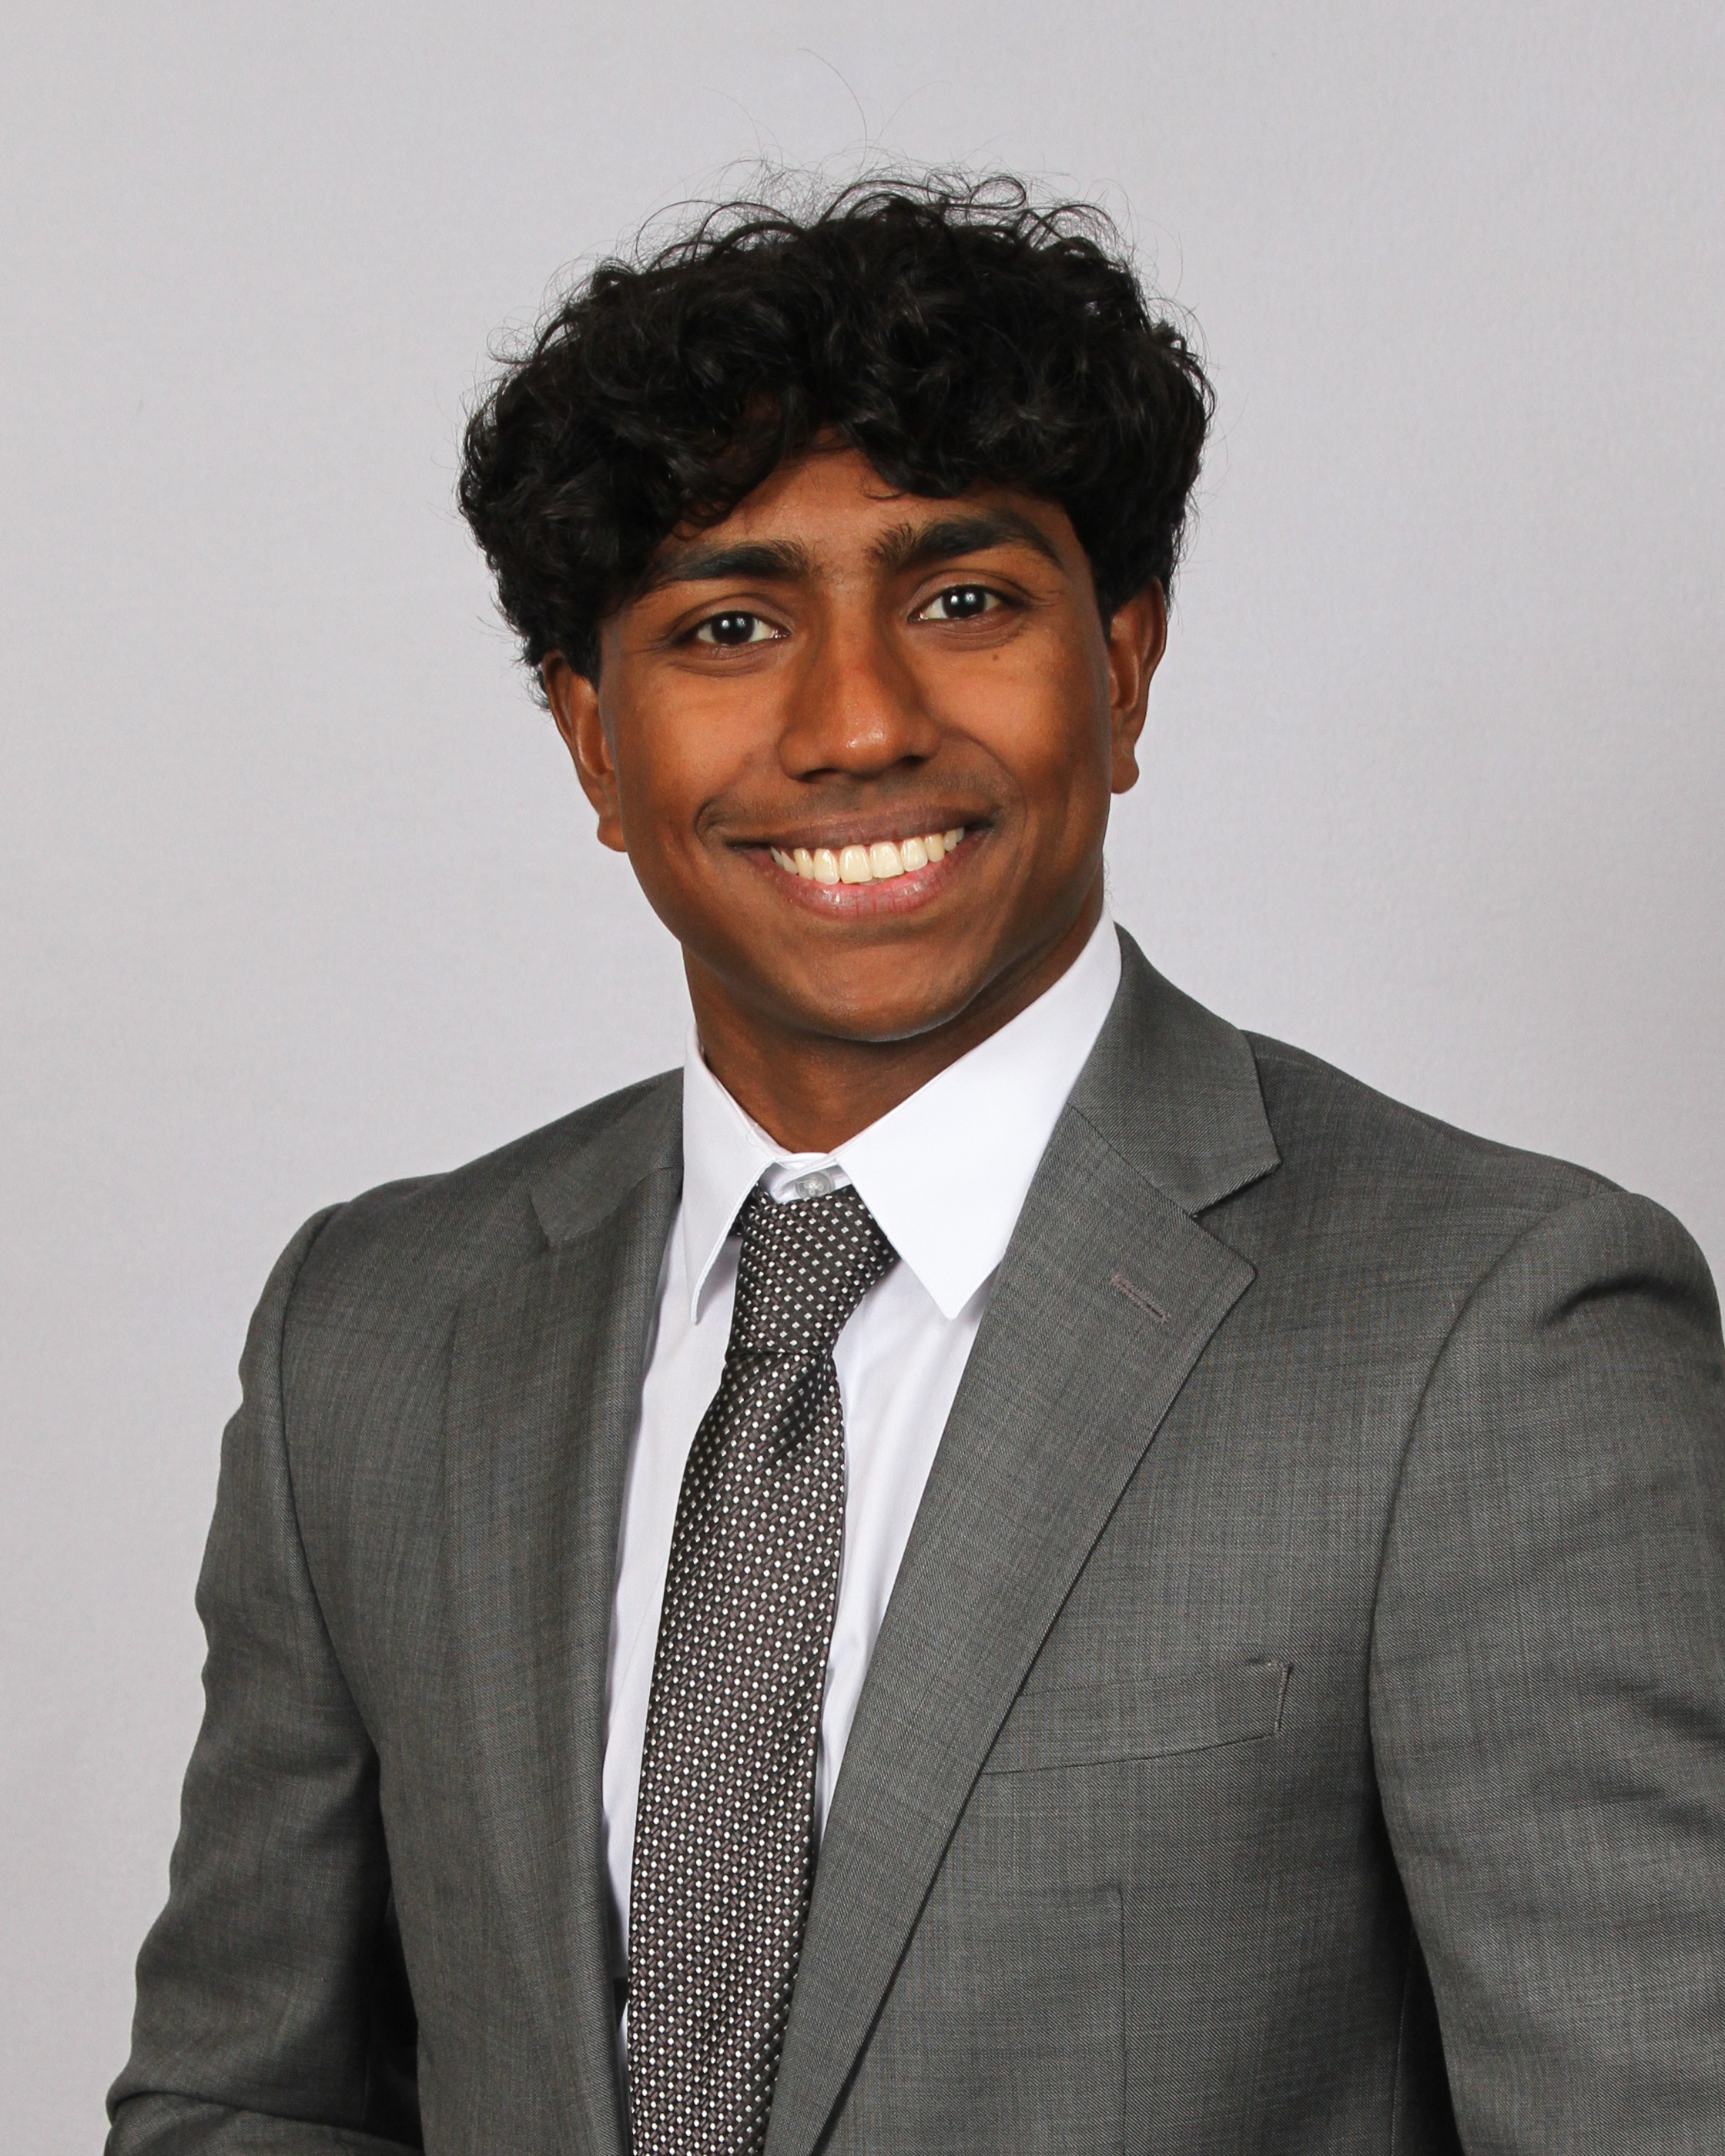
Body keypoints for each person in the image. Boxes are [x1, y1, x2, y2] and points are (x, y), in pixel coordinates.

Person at [108, 176, 1725, 2156]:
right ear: (593, 741)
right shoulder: (371, 1337)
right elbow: (239, 2095)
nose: (858, 723)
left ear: (1122, 668)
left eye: (964, 602)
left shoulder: (1496, 1330)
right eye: (728, 626)